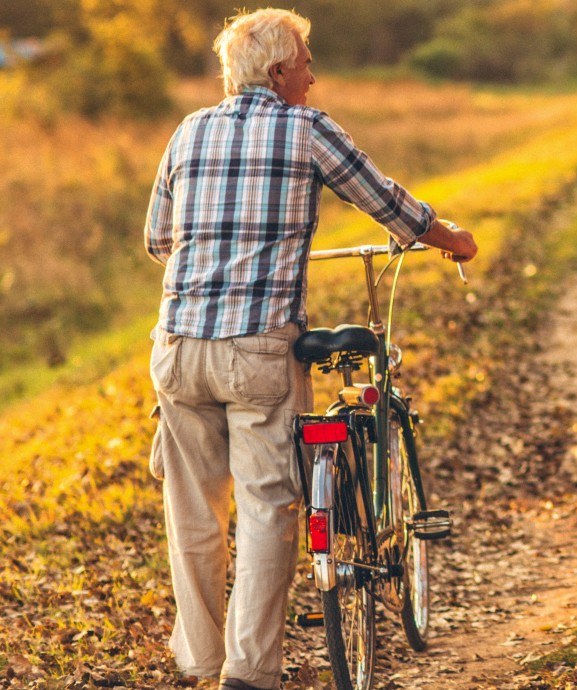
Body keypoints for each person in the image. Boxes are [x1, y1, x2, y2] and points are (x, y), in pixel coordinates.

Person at [144, 9, 477, 690]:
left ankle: (202, 661)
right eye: (305, 63)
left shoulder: (189, 131)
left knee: (193, 514)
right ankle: (248, 671)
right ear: (277, 72)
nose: (313, 75)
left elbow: (158, 240)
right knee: (268, 506)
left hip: (177, 348)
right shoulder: (305, 128)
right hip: (256, 348)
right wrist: (454, 239)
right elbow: (390, 207)